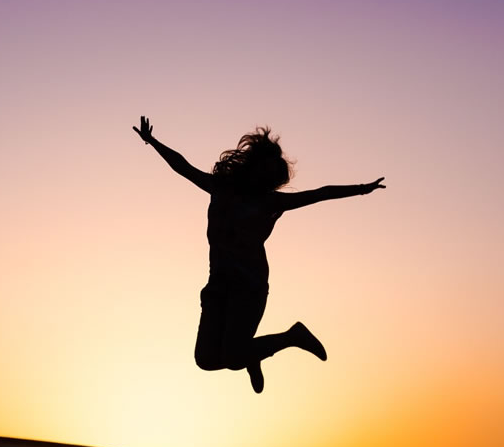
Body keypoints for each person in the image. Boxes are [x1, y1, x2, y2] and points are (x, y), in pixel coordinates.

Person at [133, 116, 385, 393]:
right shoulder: (221, 187)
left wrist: (362, 189)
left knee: (232, 357)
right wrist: (153, 141)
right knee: (205, 360)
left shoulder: (272, 202)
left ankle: (292, 337)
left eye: (269, 175)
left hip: (249, 287)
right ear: (251, 168)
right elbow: (182, 167)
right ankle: (253, 354)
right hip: (218, 284)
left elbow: (319, 194)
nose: (263, 179)